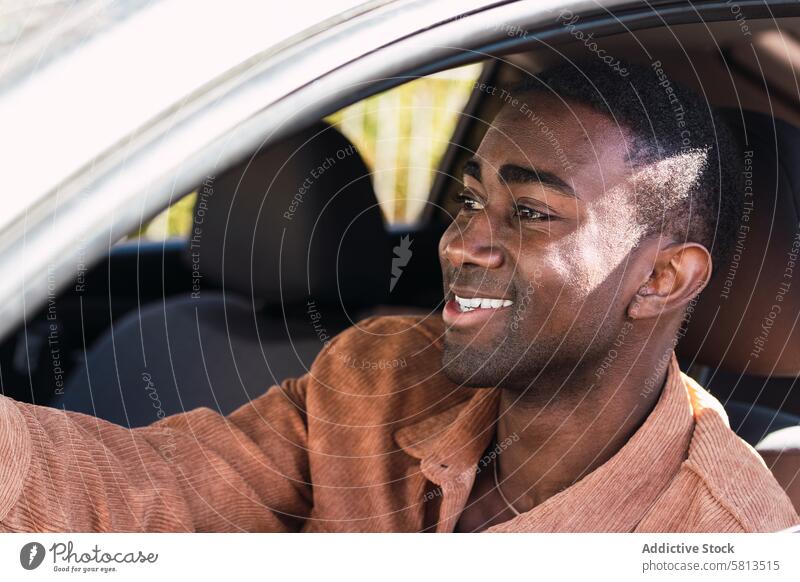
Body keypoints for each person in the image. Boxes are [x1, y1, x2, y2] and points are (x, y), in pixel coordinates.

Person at [0, 60, 797, 533]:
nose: (460, 243)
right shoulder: (382, 371)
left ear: (662, 280)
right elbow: (161, 488)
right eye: (469, 200)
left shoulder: (723, 537)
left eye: (528, 213)